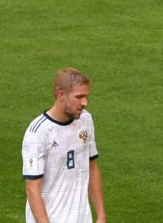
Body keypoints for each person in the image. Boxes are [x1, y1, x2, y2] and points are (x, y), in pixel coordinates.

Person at [22, 68, 106, 223]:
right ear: (61, 95)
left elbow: (92, 167)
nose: (85, 103)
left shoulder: (85, 120)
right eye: (79, 97)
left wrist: (101, 214)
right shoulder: (38, 133)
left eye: (86, 97)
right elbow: (32, 189)